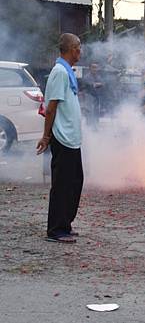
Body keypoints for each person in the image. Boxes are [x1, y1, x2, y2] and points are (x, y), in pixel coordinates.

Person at [36, 33, 84, 243]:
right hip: (62, 137)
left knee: (75, 182)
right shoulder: (59, 73)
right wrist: (46, 136)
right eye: (78, 47)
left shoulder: (67, 72)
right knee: (62, 185)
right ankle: (56, 230)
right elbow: (51, 108)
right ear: (71, 49)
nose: (80, 51)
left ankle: (65, 223)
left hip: (72, 138)